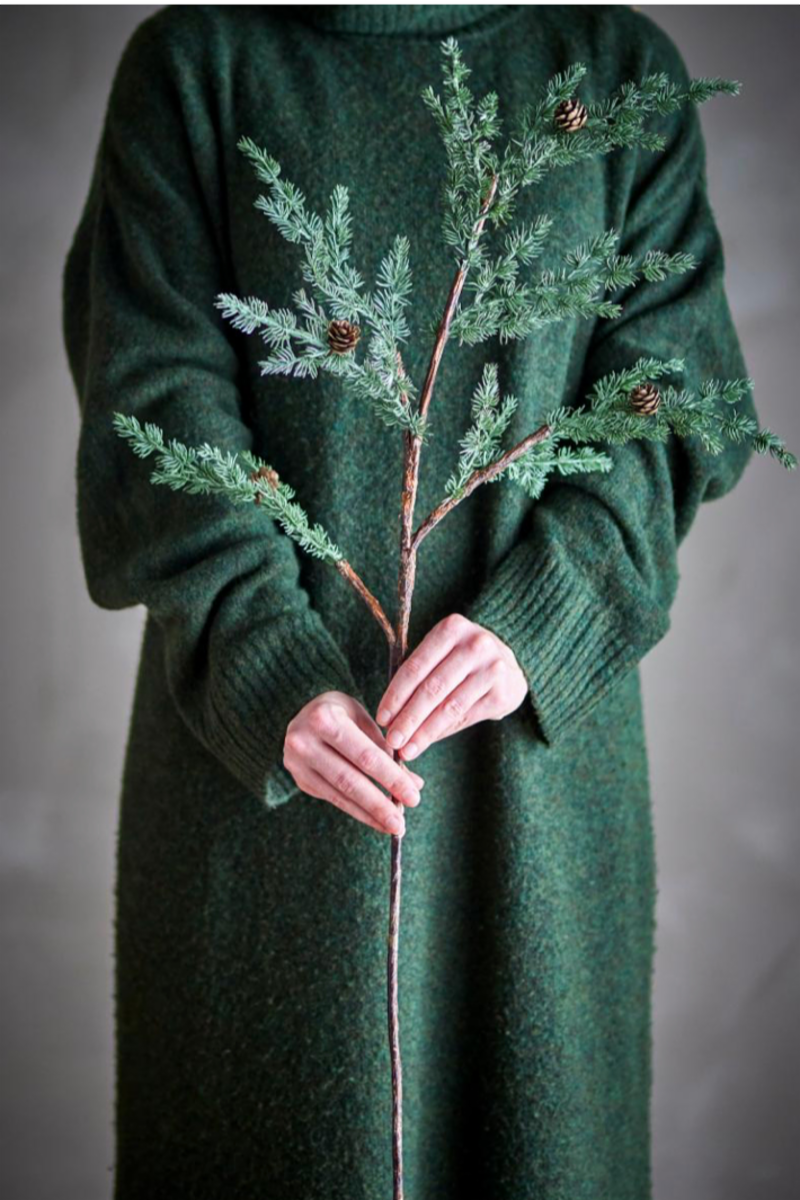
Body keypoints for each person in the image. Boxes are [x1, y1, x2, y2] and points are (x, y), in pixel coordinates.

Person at [62, 5, 756, 1197]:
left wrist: (550, 607)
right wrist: (262, 656)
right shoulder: (198, 66)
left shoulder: (612, 69)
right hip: (260, 777)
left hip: (534, 786)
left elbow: (671, 397)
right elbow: (153, 394)